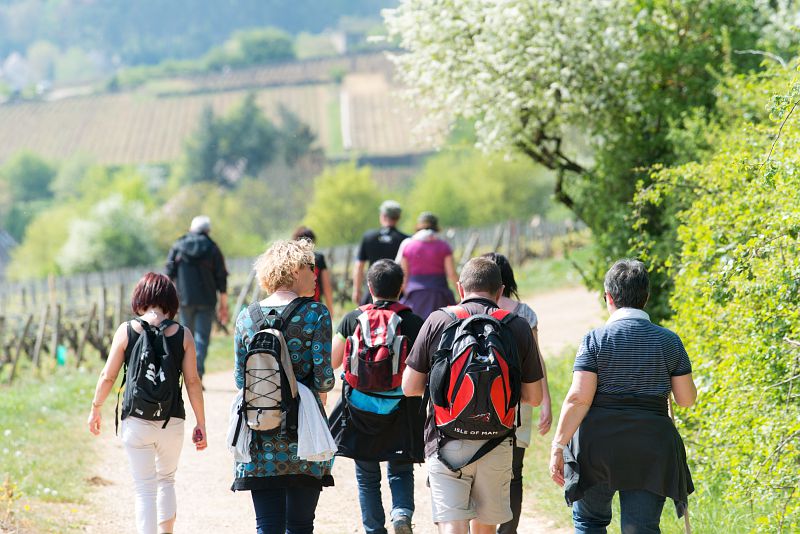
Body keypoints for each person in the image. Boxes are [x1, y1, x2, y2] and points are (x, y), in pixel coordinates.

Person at [549, 259, 697, 534]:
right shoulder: (669, 341)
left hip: (597, 447)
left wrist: (558, 446)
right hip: (651, 448)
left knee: (590, 523)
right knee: (639, 528)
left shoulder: (594, 339)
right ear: (646, 297)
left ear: (609, 297)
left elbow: (579, 398)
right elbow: (686, 399)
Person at [402, 257, 544, 534]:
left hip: (446, 440)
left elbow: (409, 387)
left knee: (452, 524)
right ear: (500, 291)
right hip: (497, 441)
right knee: (486, 529)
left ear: (460, 287)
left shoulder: (438, 320)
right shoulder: (517, 325)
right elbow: (534, 397)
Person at [87, 272, 207, 534]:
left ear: (140, 298)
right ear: (171, 301)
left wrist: (96, 408)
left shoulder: (127, 330)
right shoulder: (183, 334)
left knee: (144, 488)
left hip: (136, 420)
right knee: (166, 480)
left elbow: (108, 376)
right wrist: (201, 422)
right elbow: (193, 382)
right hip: (172, 420)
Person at [232, 239, 334, 534]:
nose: (316, 274)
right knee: (300, 525)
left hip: (259, 429)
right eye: (311, 267)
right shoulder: (316, 313)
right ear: (294, 270)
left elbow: (241, 380)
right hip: (302, 431)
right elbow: (324, 377)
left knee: (267, 525)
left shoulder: (247, 316)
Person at [330, 259, 425, 534]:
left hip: (360, 408)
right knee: (401, 469)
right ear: (402, 287)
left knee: (367, 476)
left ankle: (374, 529)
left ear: (370, 286)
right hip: (402, 407)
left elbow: (334, 361)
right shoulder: (412, 321)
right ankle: (401, 514)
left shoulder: (351, 319)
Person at [481, 253, 552, 534]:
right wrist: (545, 401)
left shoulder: (472, 310)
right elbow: (537, 360)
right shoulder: (525, 312)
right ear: (506, 280)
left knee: (481, 471)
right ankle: (508, 530)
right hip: (519, 401)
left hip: (480, 401)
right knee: (514, 473)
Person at [165, 215, 228, 379]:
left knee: (186, 336)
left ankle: (188, 371)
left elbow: (168, 274)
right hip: (207, 300)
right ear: (207, 230)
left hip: (183, 300)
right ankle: (197, 371)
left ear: (191, 229)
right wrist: (223, 305)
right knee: (202, 338)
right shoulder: (213, 248)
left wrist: (170, 300)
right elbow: (222, 278)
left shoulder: (178, 246)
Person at [395, 212, 459, 319]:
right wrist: (462, 293)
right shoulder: (443, 246)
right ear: (436, 227)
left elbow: (404, 276)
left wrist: (405, 294)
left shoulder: (408, 246)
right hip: (439, 295)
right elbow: (451, 273)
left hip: (415, 296)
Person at [352, 200, 409, 305]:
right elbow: (408, 268)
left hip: (373, 291)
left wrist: (356, 290)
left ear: (382, 216)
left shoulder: (369, 237)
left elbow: (359, 266)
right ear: (398, 217)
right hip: (397, 293)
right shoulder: (405, 240)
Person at [292, 226, 335, 317]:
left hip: (293, 307)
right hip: (314, 307)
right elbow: (326, 286)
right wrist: (330, 310)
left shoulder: (290, 260)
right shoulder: (318, 258)